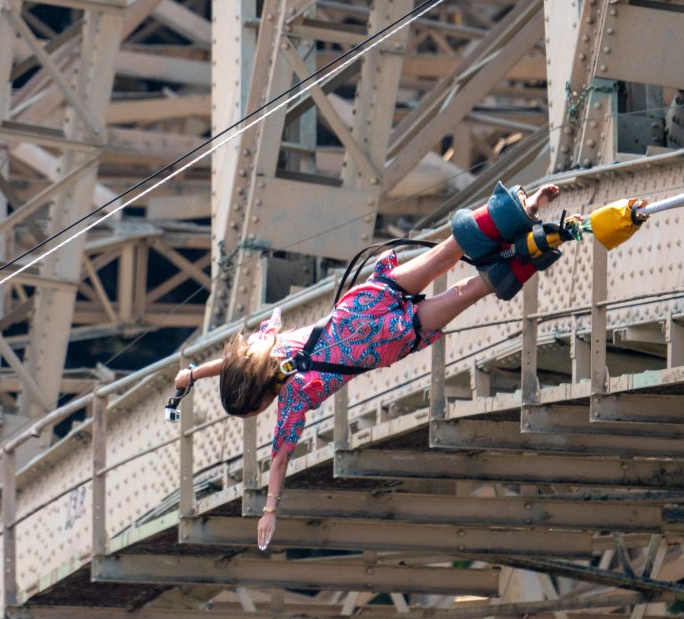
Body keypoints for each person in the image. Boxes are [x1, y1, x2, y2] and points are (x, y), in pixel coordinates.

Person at [175, 183, 576, 550]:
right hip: (365, 302)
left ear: (260, 397)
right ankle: (526, 203)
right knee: (450, 249)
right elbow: (233, 362)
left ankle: (542, 242)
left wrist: (269, 511)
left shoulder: (293, 398)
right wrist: (193, 374)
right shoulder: (270, 344)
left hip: (389, 338)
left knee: (472, 289)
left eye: (254, 409)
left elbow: (279, 460)